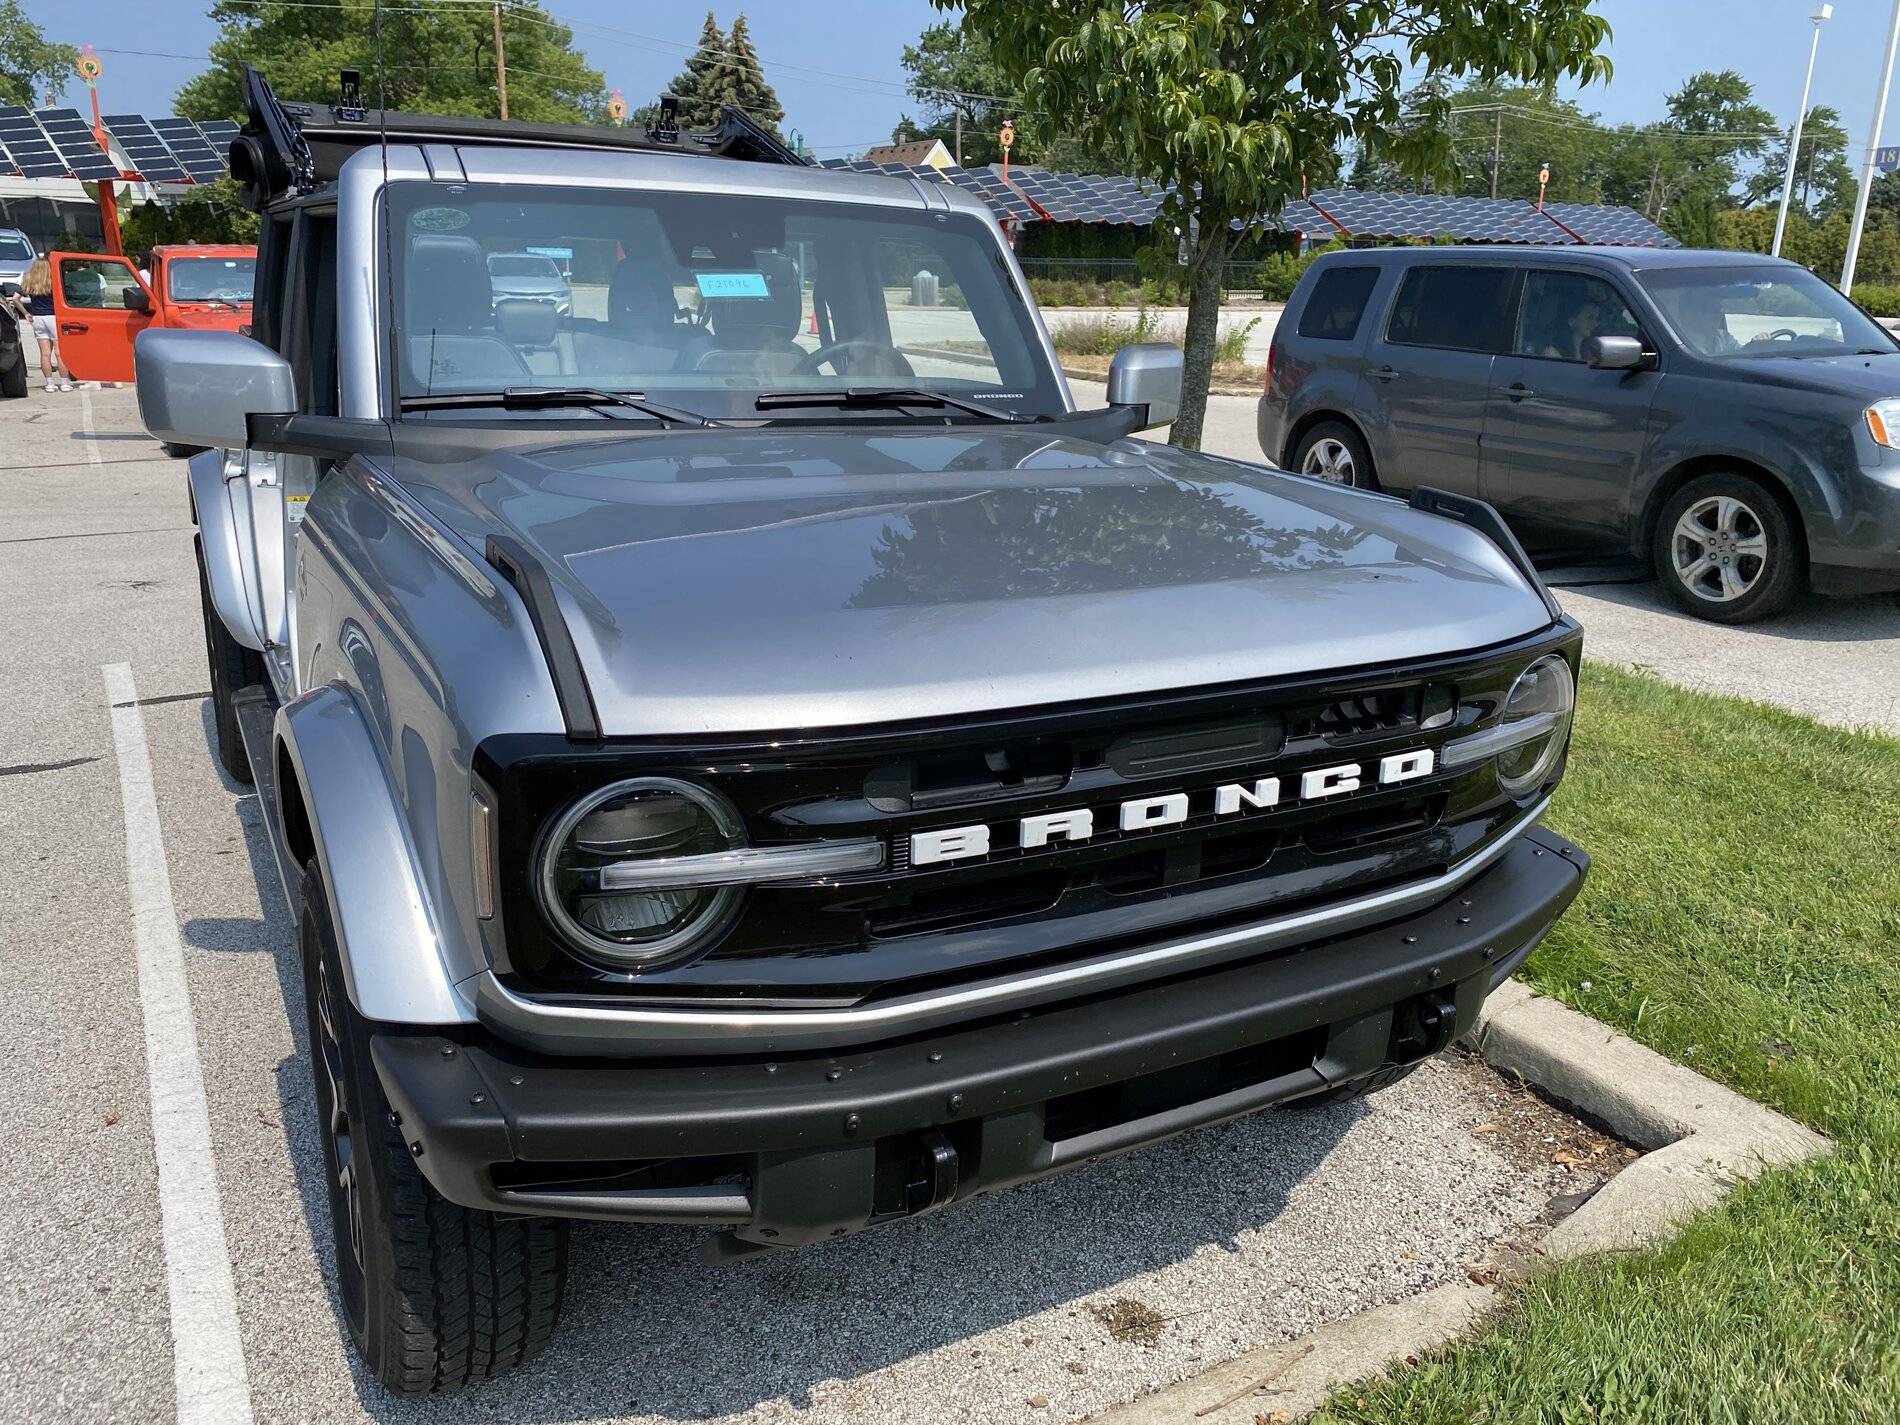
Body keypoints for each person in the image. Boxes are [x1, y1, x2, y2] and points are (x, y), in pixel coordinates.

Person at [14, 258, 73, 392]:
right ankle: (64, 383)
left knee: (45, 354)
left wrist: (26, 313)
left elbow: (16, 298)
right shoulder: (53, 281)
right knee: (60, 353)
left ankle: (49, 384)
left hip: (38, 318)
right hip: (54, 317)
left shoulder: (29, 281)